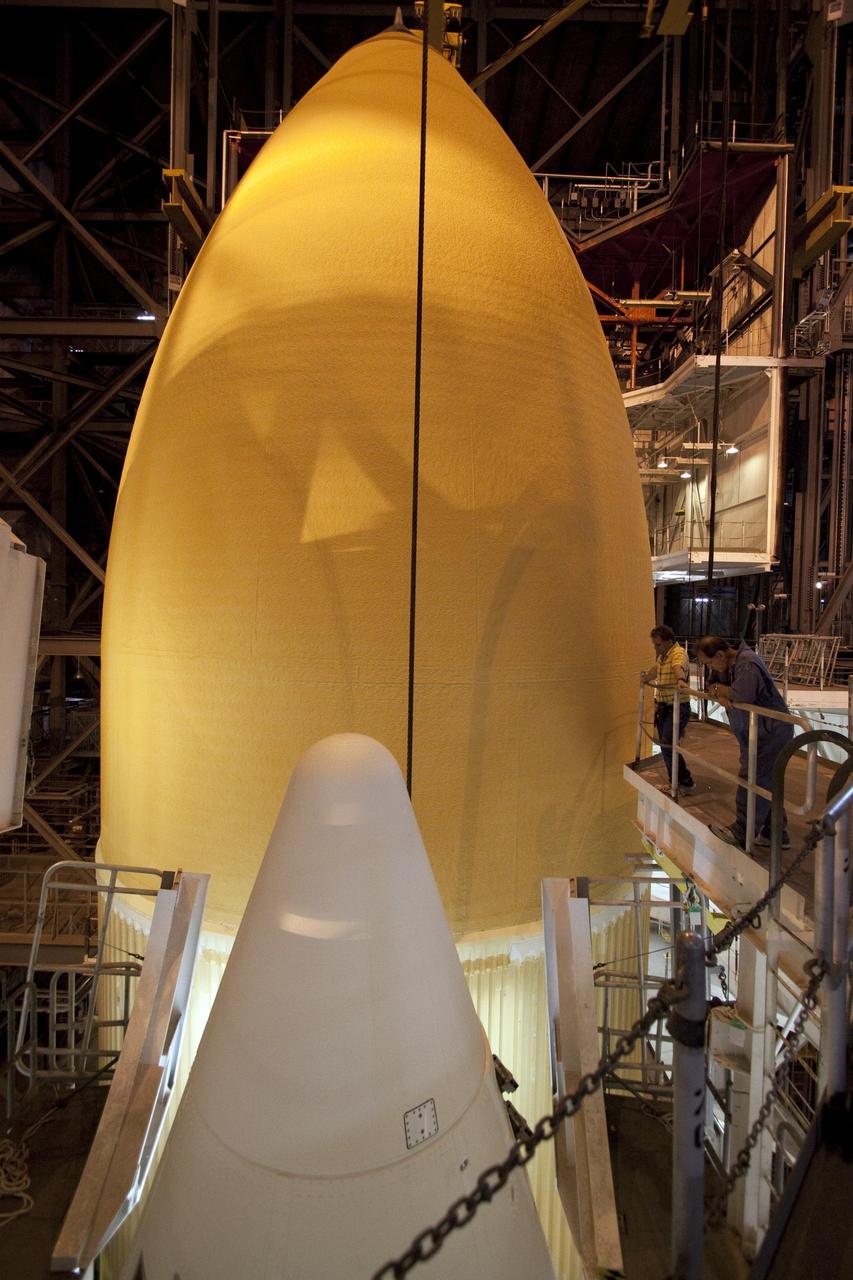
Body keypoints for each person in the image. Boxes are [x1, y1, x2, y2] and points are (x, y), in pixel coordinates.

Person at [694, 635, 793, 850]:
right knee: (766, 782)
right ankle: (775, 833)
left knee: (753, 779)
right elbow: (711, 684)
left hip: (770, 732)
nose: (709, 667)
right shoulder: (727, 664)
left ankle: (741, 831)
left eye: (710, 662)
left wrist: (721, 690)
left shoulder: (747, 663)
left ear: (720, 654)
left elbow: (742, 695)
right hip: (755, 731)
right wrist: (718, 690)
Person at [641, 625, 695, 796]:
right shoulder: (663, 656)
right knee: (666, 746)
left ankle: (684, 782)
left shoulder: (678, 654)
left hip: (677, 707)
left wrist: (680, 680)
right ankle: (678, 782)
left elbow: (678, 667)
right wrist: (645, 678)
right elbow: (655, 671)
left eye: (658, 645)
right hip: (665, 708)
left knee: (668, 745)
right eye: (654, 645)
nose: (656, 648)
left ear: (669, 641)